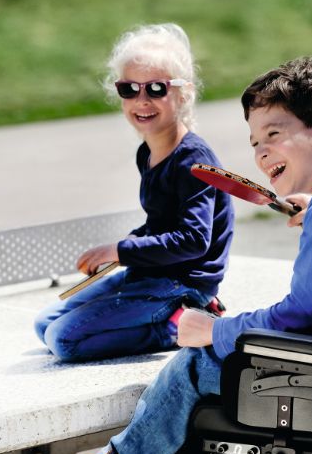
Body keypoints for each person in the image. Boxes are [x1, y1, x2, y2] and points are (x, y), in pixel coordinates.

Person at [17, 56, 312, 454]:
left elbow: (295, 318)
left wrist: (214, 330)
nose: (261, 154)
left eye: (274, 134)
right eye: (255, 142)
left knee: (196, 364)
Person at [34, 23, 234, 362]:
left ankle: (178, 325)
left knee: (63, 340)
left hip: (182, 283)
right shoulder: (148, 152)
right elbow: (160, 223)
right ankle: (159, 317)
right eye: (129, 89)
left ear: (182, 93)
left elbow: (193, 240)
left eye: (156, 89)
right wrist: (123, 250)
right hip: (153, 272)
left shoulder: (193, 161)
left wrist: (121, 249)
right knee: (45, 324)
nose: (142, 101)